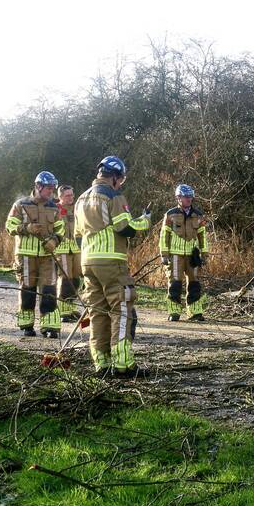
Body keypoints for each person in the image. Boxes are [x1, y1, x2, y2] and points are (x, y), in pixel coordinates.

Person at [74, 155, 152, 377]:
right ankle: (123, 364)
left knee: (97, 311)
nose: (121, 183)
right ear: (115, 177)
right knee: (122, 308)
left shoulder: (81, 199)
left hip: (87, 261)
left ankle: (102, 363)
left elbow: (78, 235)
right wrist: (145, 220)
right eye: (121, 179)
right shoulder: (113, 195)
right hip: (111, 261)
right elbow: (124, 227)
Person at [5, 171, 67, 338]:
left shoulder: (54, 208)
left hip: (47, 256)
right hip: (25, 256)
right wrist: (26, 228)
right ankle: (27, 325)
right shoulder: (20, 205)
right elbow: (9, 226)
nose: (51, 191)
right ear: (38, 186)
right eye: (48, 188)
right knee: (28, 290)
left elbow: (61, 229)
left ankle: (50, 327)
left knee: (49, 289)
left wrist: (55, 240)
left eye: (53, 188)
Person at [159, 183, 210, 321]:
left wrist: (204, 254)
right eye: (186, 196)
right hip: (175, 255)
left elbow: (202, 236)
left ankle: (195, 312)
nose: (189, 199)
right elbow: (164, 235)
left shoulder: (198, 215)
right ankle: (174, 312)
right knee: (175, 283)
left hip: (193, 256)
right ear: (178, 198)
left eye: (190, 196)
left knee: (194, 283)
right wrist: (164, 254)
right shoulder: (170, 214)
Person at [55, 185, 82, 321]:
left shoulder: (77, 208)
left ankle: (71, 308)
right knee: (66, 280)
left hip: (76, 249)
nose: (71, 198)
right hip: (62, 249)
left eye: (72, 195)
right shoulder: (55, 209)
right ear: (60, 196)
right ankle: (63, 311)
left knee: (76, 280)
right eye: (67, 195)